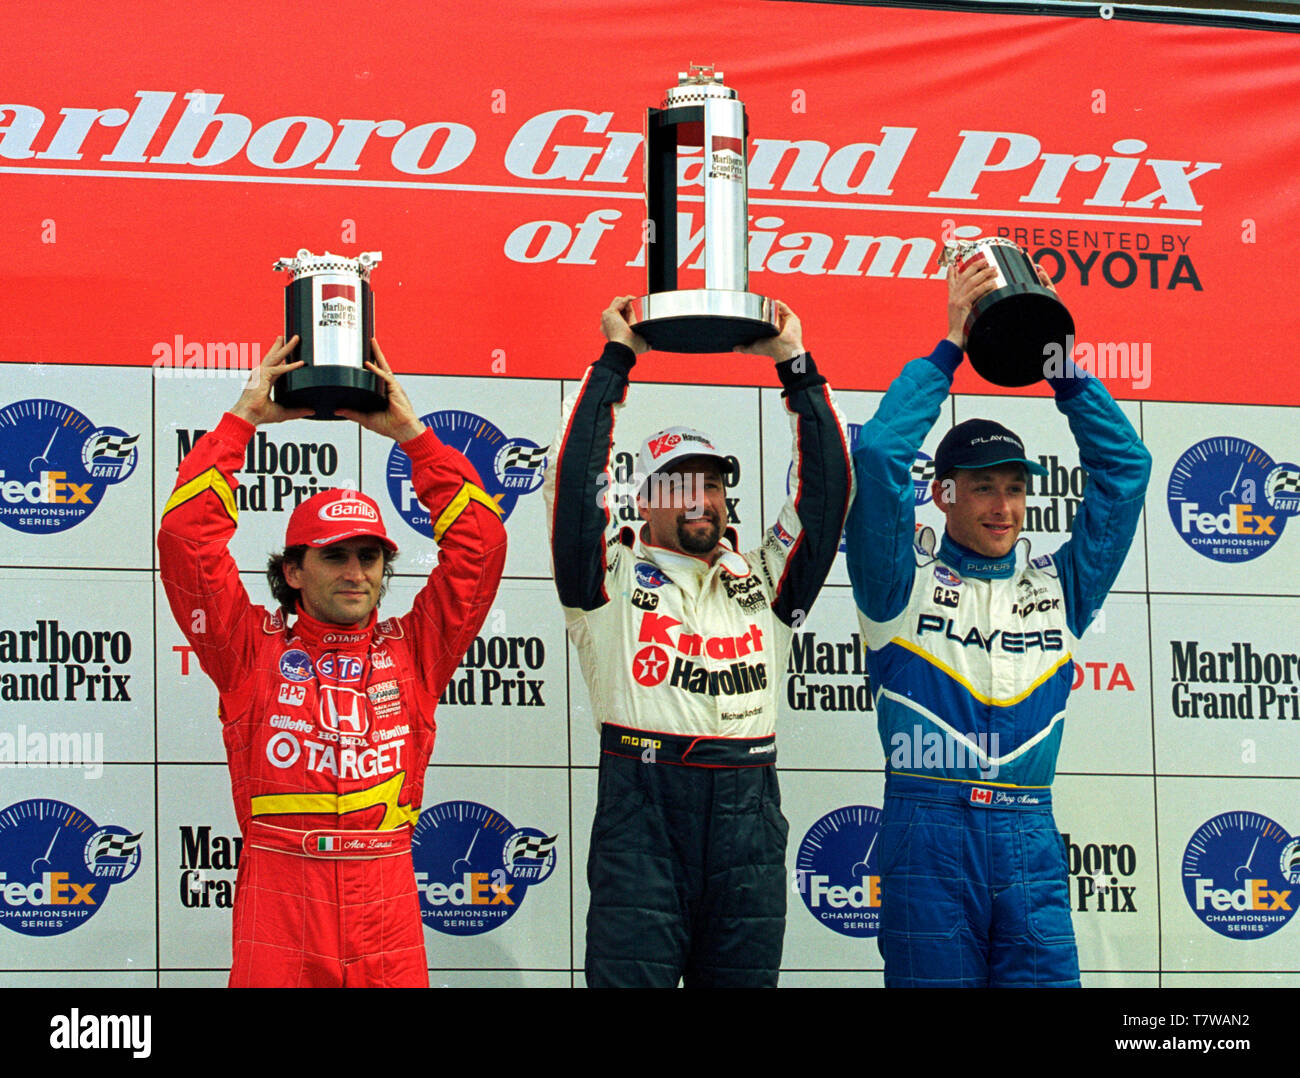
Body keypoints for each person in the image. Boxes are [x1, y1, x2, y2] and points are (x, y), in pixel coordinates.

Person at [158, 335, 507, 987]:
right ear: (293, 570)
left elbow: (481, 548)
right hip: (281, 897)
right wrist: (243, 421)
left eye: (369, 556)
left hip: (388, 901)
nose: (356, 572)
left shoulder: (416, 651)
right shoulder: (248, 651)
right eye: (334, 556)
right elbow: (185, 538)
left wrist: (411, 435)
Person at [844, 257, 1151, 987]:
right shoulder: (900, 582)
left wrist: (1059, 365)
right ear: (944, 495)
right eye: (983, 488)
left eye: (1015, 489)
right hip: (928, 830)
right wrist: (951, 346)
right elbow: (881, 454)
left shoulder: (1062, 587)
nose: (1004, 507)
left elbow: (1127, 469)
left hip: (1029, 833)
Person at [544, 296, 853, 987]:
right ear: (643, 500)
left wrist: (796, 369)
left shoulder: (766, 578)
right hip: (643, 806)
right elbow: (572, 488)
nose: (701, 499)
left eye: (712, 485)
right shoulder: (606, 580)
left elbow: (828, 496)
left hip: (748, 808)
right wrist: (617, 362)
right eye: (680, 483)